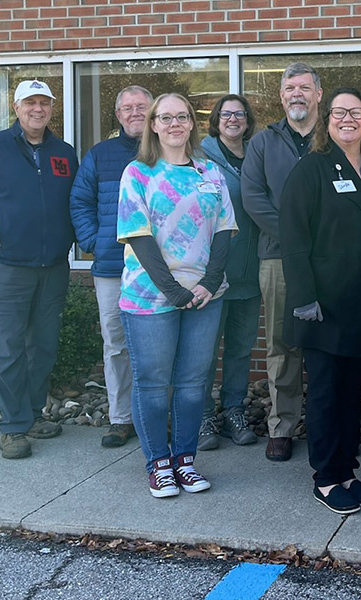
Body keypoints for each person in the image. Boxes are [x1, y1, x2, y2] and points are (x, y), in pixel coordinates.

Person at [280, 88, 361, 515]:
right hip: (323, 304)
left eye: (356, 111)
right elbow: (292, 237)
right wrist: (302, 297)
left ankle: (347, 472)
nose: (347, 119)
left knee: (351, 392)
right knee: (327, 394)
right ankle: (327, 478)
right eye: (339, 112)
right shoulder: (311, 169)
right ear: (326, 120)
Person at [117, 93, 237, 498]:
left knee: (192, 383)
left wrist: (207, 282)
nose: (174, 124)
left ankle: (184, 461)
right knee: (152, 383)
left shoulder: (210, 172)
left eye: (182, 117)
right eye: (165, 117)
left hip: (205, 295)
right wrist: (174, 291)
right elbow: (138, 235)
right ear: (153, 125)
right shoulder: (138, 173)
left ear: (191, 124)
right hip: (150, 297)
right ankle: (158, 464)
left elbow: (224, 231)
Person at [0, 80, 77, 460]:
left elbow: (76, 201)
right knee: (8, 349)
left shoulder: (64, 153)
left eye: (44, 103)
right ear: (16, 107)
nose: (37, 109)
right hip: (9, 267)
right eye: (30, 103)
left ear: (52, 109)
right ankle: (12, 427)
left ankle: (33, 413)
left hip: (54, 265)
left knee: (42, 346)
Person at [241, 63, 322, 462]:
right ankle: (283, 425)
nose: (297, 94)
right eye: (290, 87)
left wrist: (322, 241)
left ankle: (329, 424)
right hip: (277, 257)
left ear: (318, 95)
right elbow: (252, 197)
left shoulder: (335, 139)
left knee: (330, 342)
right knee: (282, 342)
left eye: (304, 87)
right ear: (281, 96)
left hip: (331, 259)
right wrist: (295, 237)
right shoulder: (263, 142)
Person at [70, 84, 152, 449]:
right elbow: (79, 201)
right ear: (118, 115)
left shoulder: (169, 150)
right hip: (112, 267)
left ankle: (153, 416)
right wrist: (94, 241)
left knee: (157, 347)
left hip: (159, 269)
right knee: (116, 344)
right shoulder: (100, 155)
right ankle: (121, 418)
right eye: (128, 108)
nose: (135, 113)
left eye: (141, 107)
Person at [197, 93, 261, 450]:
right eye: (226, 114)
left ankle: (233, 410)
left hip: (251, 274)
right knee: (205, 349)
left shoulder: (257, 155)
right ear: (216, 120)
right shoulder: (200, 157)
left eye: (239, 114)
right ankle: (204, 414)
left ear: (248, 121)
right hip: (213, 275)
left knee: (240, 348)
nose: (233, 119)